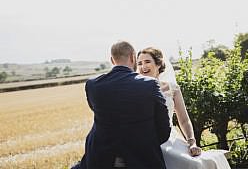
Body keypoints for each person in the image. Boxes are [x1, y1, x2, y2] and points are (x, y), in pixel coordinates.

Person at [76, 41, 171, 169]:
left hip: (100, 157)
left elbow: (99, 112)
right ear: (133, 57)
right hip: (141, 158)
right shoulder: (150, 85)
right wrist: (146, 142)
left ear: (112, 60)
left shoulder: (93, 85)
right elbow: (164, 129)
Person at [137, 47, 231, 169]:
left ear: (159, 64)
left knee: (198, 164)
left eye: (147, 62)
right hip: (147, 141)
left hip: (170, 139)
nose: (143, 66)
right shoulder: (135, 90)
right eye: (139, 63)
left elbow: (184, 119)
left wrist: (192, 143)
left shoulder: (172, 89)